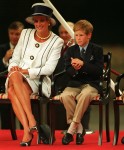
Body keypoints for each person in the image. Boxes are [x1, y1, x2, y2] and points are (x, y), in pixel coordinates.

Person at [5, 2, 64, 146]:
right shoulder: (25, 33)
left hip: (38, 80)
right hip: (17, 76)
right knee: (14, 75)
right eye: (36, 21)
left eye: (42, 20)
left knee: (12, 91)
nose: (38, 24)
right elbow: (15, 58)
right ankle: (30, 123)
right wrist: (14, 67)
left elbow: (49, 69)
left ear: (49, 22)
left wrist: (26, 71)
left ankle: (28, 129)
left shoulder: (57, 41)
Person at [59, 19, 103, 145]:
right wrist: (75, 69)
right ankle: (79, 129)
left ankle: (71, 128)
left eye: (81, 35)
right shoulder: (71, 50)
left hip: (91, 83)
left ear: (89, 35)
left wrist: (83, 64)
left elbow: (99, 71)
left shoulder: (97, 50)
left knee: (85, 95)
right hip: (75, 83)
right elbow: (67, 70)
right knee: (65, 96)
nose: (78, 38)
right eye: (76, 35)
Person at [54, 22, 93, 134]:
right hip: (61, 85)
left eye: (67, 32)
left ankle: (80, 127)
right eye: (61, 32)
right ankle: (72, 128)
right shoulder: (56, 48)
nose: (64, 35)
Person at [0, 21, 24, 129]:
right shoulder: (2, 48)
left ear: (22, 34)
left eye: (17, 34)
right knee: (6, 118)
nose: (14, 36)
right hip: (4, 86)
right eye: (12, 33)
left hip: (22, 84)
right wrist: (5, 59)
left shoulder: (27, 49)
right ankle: (8, 134)